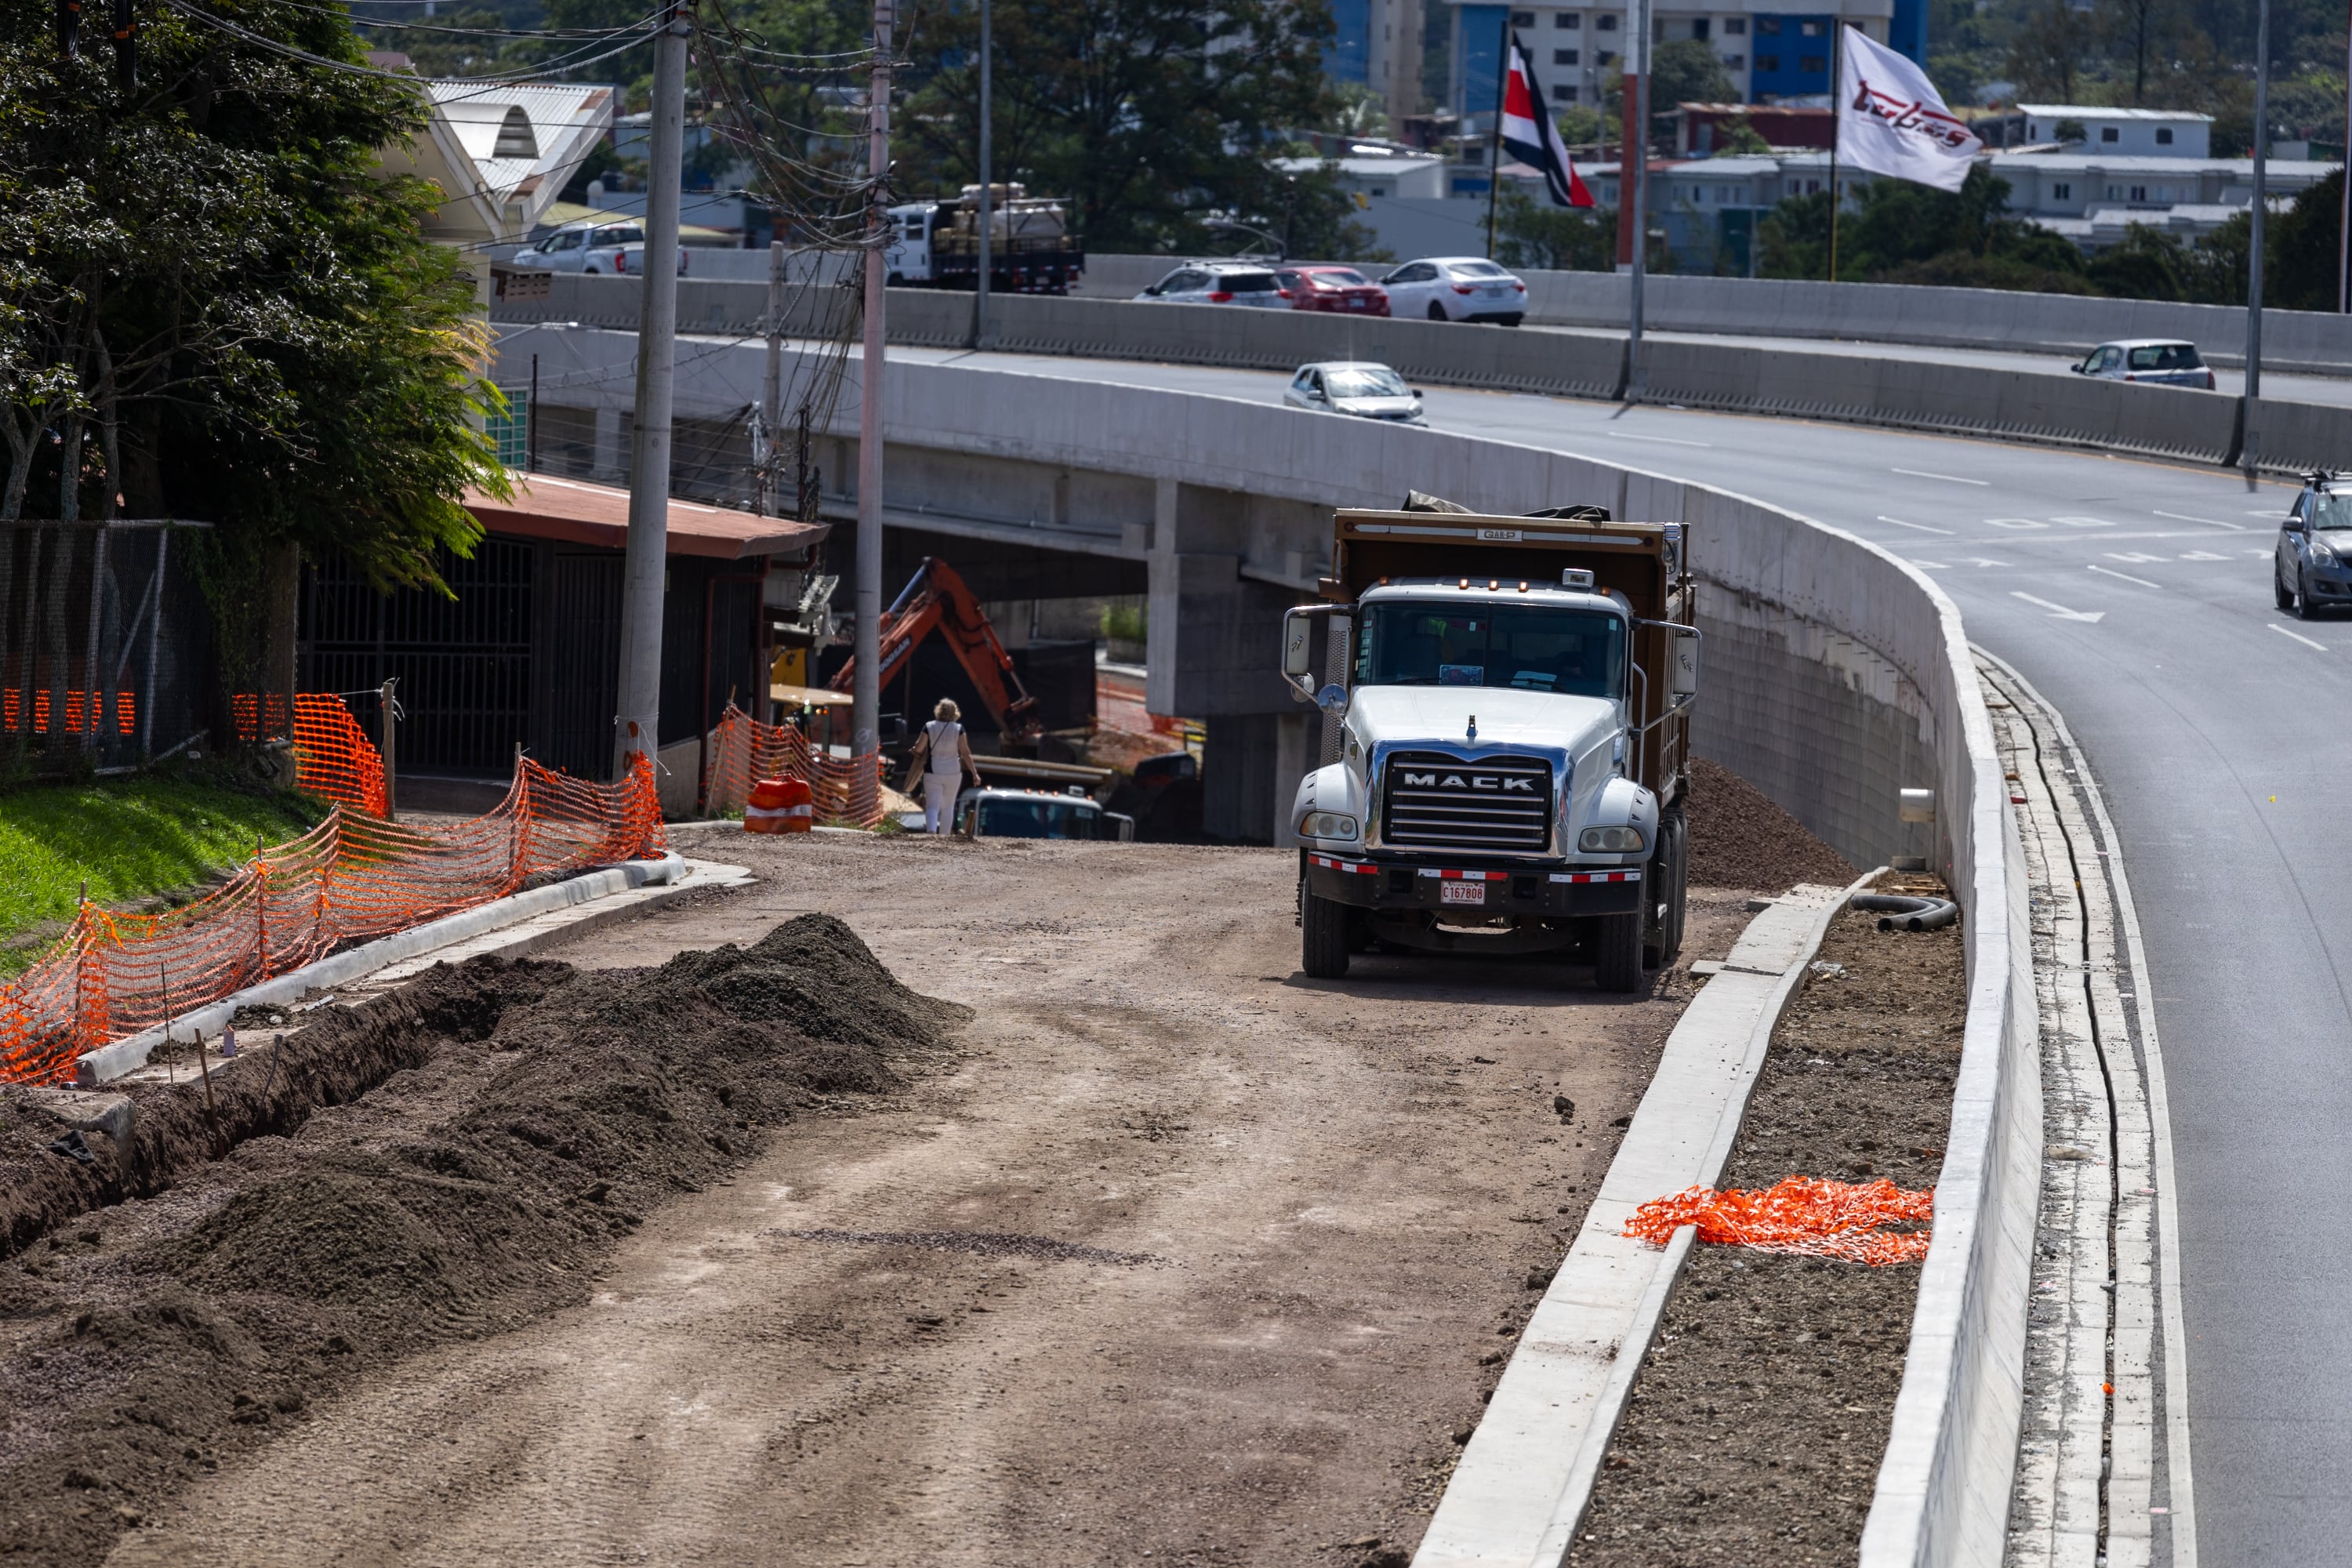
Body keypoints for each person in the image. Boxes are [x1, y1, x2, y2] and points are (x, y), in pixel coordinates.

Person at [906, 698, 980, 834]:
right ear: (955, 712)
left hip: (933, 772)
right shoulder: (959, 729)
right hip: (953, 773)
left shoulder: (929, 726)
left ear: (938, 711)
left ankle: (931, 832)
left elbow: (919, 748)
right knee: (948, 807)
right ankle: (944, 836)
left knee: (932, 805)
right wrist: (975, 773)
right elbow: (966, 753)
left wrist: (915, 749)